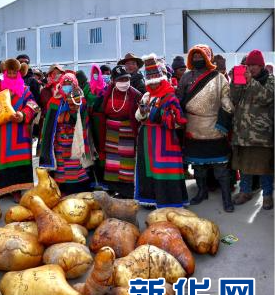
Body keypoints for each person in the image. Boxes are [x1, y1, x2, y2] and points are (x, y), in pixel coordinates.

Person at [175, 47, 234, 212]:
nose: (197, 59)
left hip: (215, 128)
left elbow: (227, 102)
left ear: (208, 58)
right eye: (194, 56)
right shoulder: (186, 77)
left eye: (200, 56)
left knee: (221, 167)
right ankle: (202, 192)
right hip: (193, 127)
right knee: (198, 167)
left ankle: (226, 198)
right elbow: (179, 99)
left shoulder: (219, 78)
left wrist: (223, 124)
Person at [134, 57, 188, 208]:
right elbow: (138, 116)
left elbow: (180, 120)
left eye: (156, 81)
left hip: (165, 137)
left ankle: (169, 200)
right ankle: (151, 199)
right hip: (147, 138)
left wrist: (164, 116)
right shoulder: (146, 96)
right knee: (149, 168)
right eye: (151, 82)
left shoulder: (170, 96)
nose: (154, 84)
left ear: (162, 80)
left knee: (164, 168)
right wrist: (143, 112)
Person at [0, 58, 40, 200]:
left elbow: (33, 105)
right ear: (5, 73)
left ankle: (17, 189)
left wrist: (23, 114)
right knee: (1, 159)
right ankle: (2, 188)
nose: (11, 75)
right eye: (8, 73)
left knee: (19, 159)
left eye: (14, 73)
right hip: (1, 131)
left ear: (19, 73)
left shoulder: (25, 90)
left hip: (19, 131)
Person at [38, 72, 96, 195]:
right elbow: (50, 121)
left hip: (75, 138)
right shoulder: (55, 99)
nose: (67, 86)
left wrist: (73, 104)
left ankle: (77, 189)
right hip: (59, 139)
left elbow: (82, 117)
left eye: (70, 83)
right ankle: (62, 189)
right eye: (64, 83)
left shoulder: (80, 98)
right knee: (61, 165)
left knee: (75, 162)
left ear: (75, 84)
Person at [230, 50, 274, 210]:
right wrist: (235, 82)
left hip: (261, 135)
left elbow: (266, 98)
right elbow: (234, 98)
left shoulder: (270, 80)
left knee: (264, 167)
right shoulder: (243, 79)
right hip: (242, 133)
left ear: (261, 65)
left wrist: (251, 82)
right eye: (249, 65)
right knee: (244, 165)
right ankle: (245, 192)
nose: (251, 68)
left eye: (254, 65)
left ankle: (267, 195)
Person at [95, 65, 141, 198]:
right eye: (121, 80)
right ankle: (115, 190)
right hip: (111, 131)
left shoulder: (136, 94)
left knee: (127, 163)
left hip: (128, 131)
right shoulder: (107, 93)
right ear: (113, 81)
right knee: (113, 162)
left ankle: (127, 192)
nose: (124, 82)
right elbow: (100, 112)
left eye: (126, 79)